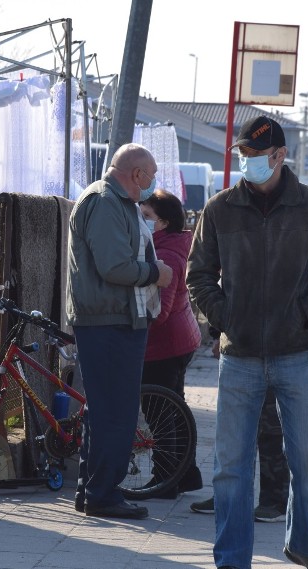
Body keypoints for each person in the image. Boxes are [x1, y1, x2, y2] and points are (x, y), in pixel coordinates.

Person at [187, 116, 308, 569]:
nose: (246, 162)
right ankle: (232, 559)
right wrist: (224, 319)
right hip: (238, 357)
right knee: (230, 469)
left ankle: (303, 543)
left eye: (254, 156)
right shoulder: (220, 208)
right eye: (242, 155)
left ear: (279, 156)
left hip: (295, 354)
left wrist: (301, 314)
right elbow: (197, 275)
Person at [67, 143, 173, 520]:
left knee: (108, 410)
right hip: (108, 320)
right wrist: (155, 274)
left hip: (117, 317)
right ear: (136, 174)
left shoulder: (118, 201)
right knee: (115, 411)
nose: (153, 181)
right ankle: (102, 493)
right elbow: (114, 266)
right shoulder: (105, 202)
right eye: (152, 174)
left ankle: (93, 490)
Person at [138, 189, 203, 498]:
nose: (142, 220)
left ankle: (165, 479)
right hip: (179, 340)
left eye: (147, 216)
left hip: (165, 345)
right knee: (174, 411)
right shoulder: (168, 244)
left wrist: (132, 327)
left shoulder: (166, 254)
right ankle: (185, 474)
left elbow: (159, 312)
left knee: (160, 414)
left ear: (163, 222)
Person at [189, 385, 290, 523]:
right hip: (239, 367)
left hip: (276, 368)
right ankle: (227, 496)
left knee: (270, 428)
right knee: (232, 429)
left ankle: (275, 503)